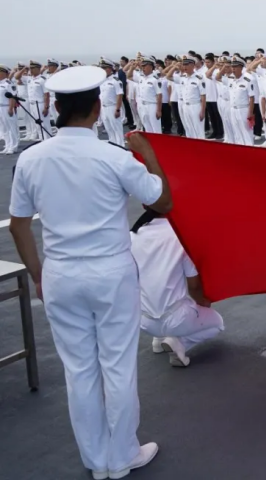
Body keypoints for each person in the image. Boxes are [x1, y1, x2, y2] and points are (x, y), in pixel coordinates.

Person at [9, 66, 173, 479]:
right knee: (117, 365)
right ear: (98, 109)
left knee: (79, 370)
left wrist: (38, 274)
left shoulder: (30, 158)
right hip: (109, 271)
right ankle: (123, 455)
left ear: (58, 107)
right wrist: (149, 154)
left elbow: (19, 224)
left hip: (60, 273)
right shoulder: (113, 156)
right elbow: (163, 201)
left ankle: (96, 461)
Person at [130, 208, 224, 368]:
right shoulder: (181, 236)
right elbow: (194, 286)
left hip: (144, 321)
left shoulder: (133, 235)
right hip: (175, 317)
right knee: (217, 323)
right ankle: (180, 344)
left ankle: (159, 340)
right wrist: (203, 301)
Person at [127, 56, 162, 134]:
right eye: (142, 66)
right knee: (147, 128)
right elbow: (129, 76)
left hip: (152, 106)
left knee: (156, 129)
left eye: (145, 66)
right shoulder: (141, 78)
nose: (143, 67)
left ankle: (158, 145)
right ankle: (150, 145)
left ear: (151, 66)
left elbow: (159, 95)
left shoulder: (155, 79)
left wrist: (159, 110)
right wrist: (132, 68)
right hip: (142, 106)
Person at [98, 58, 126, 146]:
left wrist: (117, 109)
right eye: (102, 68)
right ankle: (113, 146)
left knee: (117, 129)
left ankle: (121, 147)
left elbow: (119, 95)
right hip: (104, 108)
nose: (103, 70)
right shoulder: (101, 81)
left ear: (110, 69)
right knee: (109, 129)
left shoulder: (116, 81)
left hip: (112, 107)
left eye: (105, 68)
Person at [0, 64, 20, 154]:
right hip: (0, 107)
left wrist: (11, 108)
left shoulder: (8, 83)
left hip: (6, 107)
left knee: (11, 127)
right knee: (4, 128)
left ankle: (13, 146)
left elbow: (12, 97)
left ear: (4, 73)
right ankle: (7, 145)